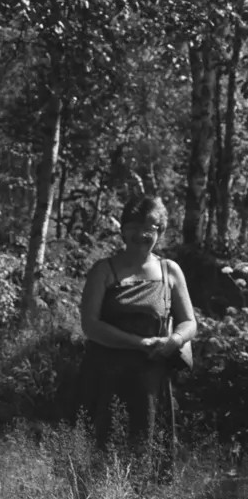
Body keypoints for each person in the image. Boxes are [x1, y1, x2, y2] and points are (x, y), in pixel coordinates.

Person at [78, 195, 196, 457]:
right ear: (122, 229)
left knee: (149, 454)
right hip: (106, 377)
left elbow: (189, 322)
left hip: (152, 382)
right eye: (133, 226)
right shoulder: (103, 270)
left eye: (151, 227)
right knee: (103, 455)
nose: (141, 234)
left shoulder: (170, 270)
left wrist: (174, 341)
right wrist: (138, 343)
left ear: (160, 232)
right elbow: (90, 325)